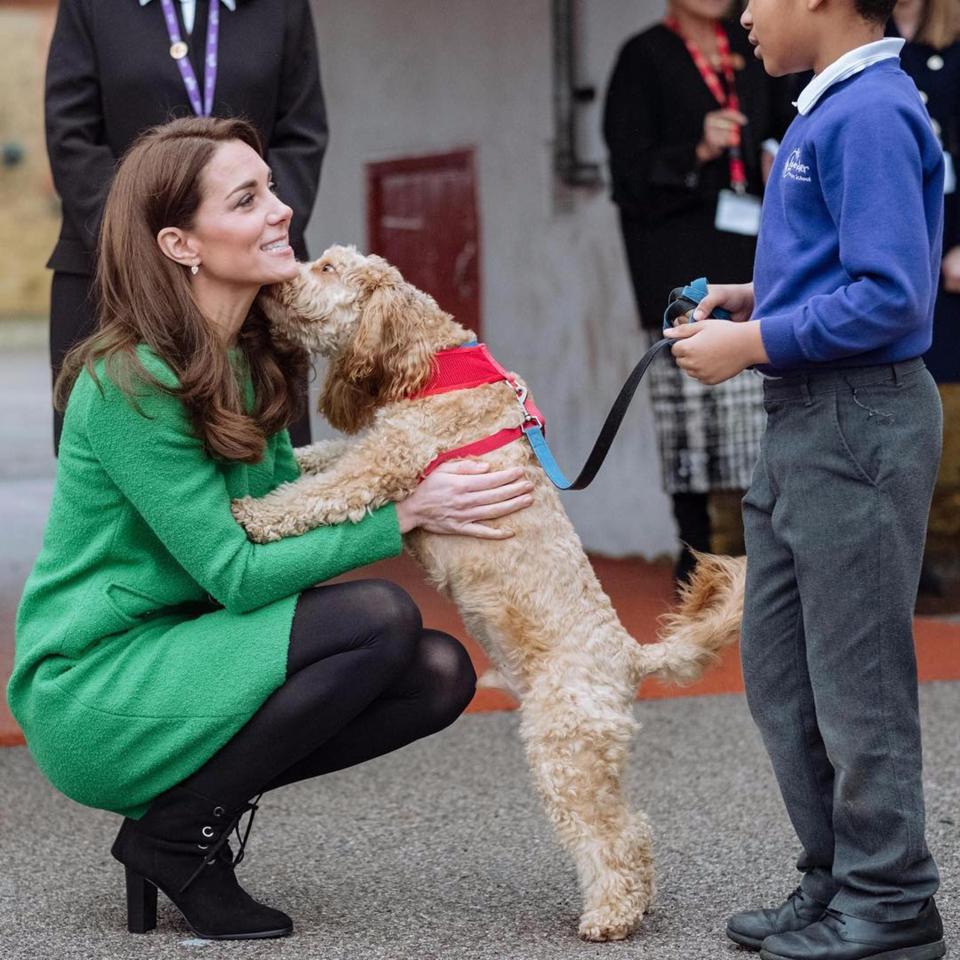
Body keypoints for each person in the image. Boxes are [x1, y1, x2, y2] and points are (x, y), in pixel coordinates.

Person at [6, 116, 535, 941]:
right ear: (181, 243)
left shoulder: (249, 360)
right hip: (98, 685)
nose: (280, 209)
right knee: (379, 618)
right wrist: (405, 513)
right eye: (248, 198)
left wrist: (437, 438)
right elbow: (239, 572)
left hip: (190, 653)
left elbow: (286, 511)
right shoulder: (130, 383)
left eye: (273, 189)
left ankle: (180, 825)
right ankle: (181, 838)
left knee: (437, 673)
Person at [664, 0, 947, 954]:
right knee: (786, 673)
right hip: (810, 418)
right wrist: (755, 298)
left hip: (855, 417)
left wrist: (752, 341)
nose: (744, 13)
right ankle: (838, 884)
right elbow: (847, 269)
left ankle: (891, 900)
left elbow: (892, 294)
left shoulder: (869, 113)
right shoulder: (832, 107)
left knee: (855, 679)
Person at [45, 0, 327, 453]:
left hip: (248, 275)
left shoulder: (284, 8)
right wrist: (136, 242)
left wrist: (257, 230)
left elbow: (302, 133)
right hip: (106, 268)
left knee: (269, 470)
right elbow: (71, 135)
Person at [602, 0, 793, 586]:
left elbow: (775, 126)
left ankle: (758, 556)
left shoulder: (750, 46)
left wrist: (768, 152)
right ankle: (696, 561)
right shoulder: (644, 57)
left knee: (755, 416)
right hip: (677, 256)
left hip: (747, 251)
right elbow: (629, 177)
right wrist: (697, 152)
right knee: (688, 424)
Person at [888, 0, 960, 598]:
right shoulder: (861, 40)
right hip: (901, 266)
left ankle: (943, 561)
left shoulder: (955, 40)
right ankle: (912, 565)